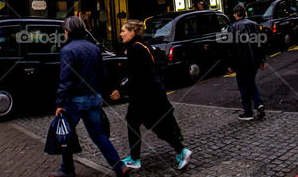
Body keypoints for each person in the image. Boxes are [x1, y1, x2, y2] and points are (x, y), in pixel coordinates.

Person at [52, 16, 129, 177]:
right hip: (93, 97)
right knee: (99, 135)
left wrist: (60, 103)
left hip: (75, 100)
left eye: (65, 30)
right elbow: (102, 73)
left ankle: (67, 170)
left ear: (68, 31)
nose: (64, 32)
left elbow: (65, 79)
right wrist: (104, 92)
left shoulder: (67, 50)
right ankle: (119, 166)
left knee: (66, 134)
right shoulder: (93, 48)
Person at [110, 20, 193, 171]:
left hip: (144, 96)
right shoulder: (144, 46)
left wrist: (121, 90)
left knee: (147, 125)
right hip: (152, 94)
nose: (121, 34)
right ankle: (179, 150)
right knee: (146, 124)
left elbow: (136, 74)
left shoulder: (135, 49)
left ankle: (138, 158)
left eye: (123, 31)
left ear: (132, 32)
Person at [227, 3, 266, 121]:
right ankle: (258, 103)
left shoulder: (232, 28)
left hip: (240, 63)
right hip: (253, 62)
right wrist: (262, 60)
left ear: (235, 15)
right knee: (250, 83)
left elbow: (231, 48)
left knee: (243, 86)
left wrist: (230, 64)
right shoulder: (254, 25)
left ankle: (248, 112)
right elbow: (260, 44)